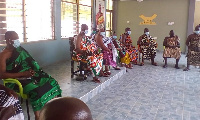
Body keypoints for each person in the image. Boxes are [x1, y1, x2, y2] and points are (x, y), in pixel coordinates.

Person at [0, 31, 62, 120]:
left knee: (51, 82)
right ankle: (38, 116)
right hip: (15, 81)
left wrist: (31, 72)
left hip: (28, 76)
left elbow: (29, 63)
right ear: (8, 41)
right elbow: (2, 75)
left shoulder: (19, 50)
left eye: (18, 39)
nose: (18, 41)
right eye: (15, 39)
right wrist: (23, 74)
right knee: (37, 91)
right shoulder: (3, 55)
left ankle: (51, 109)